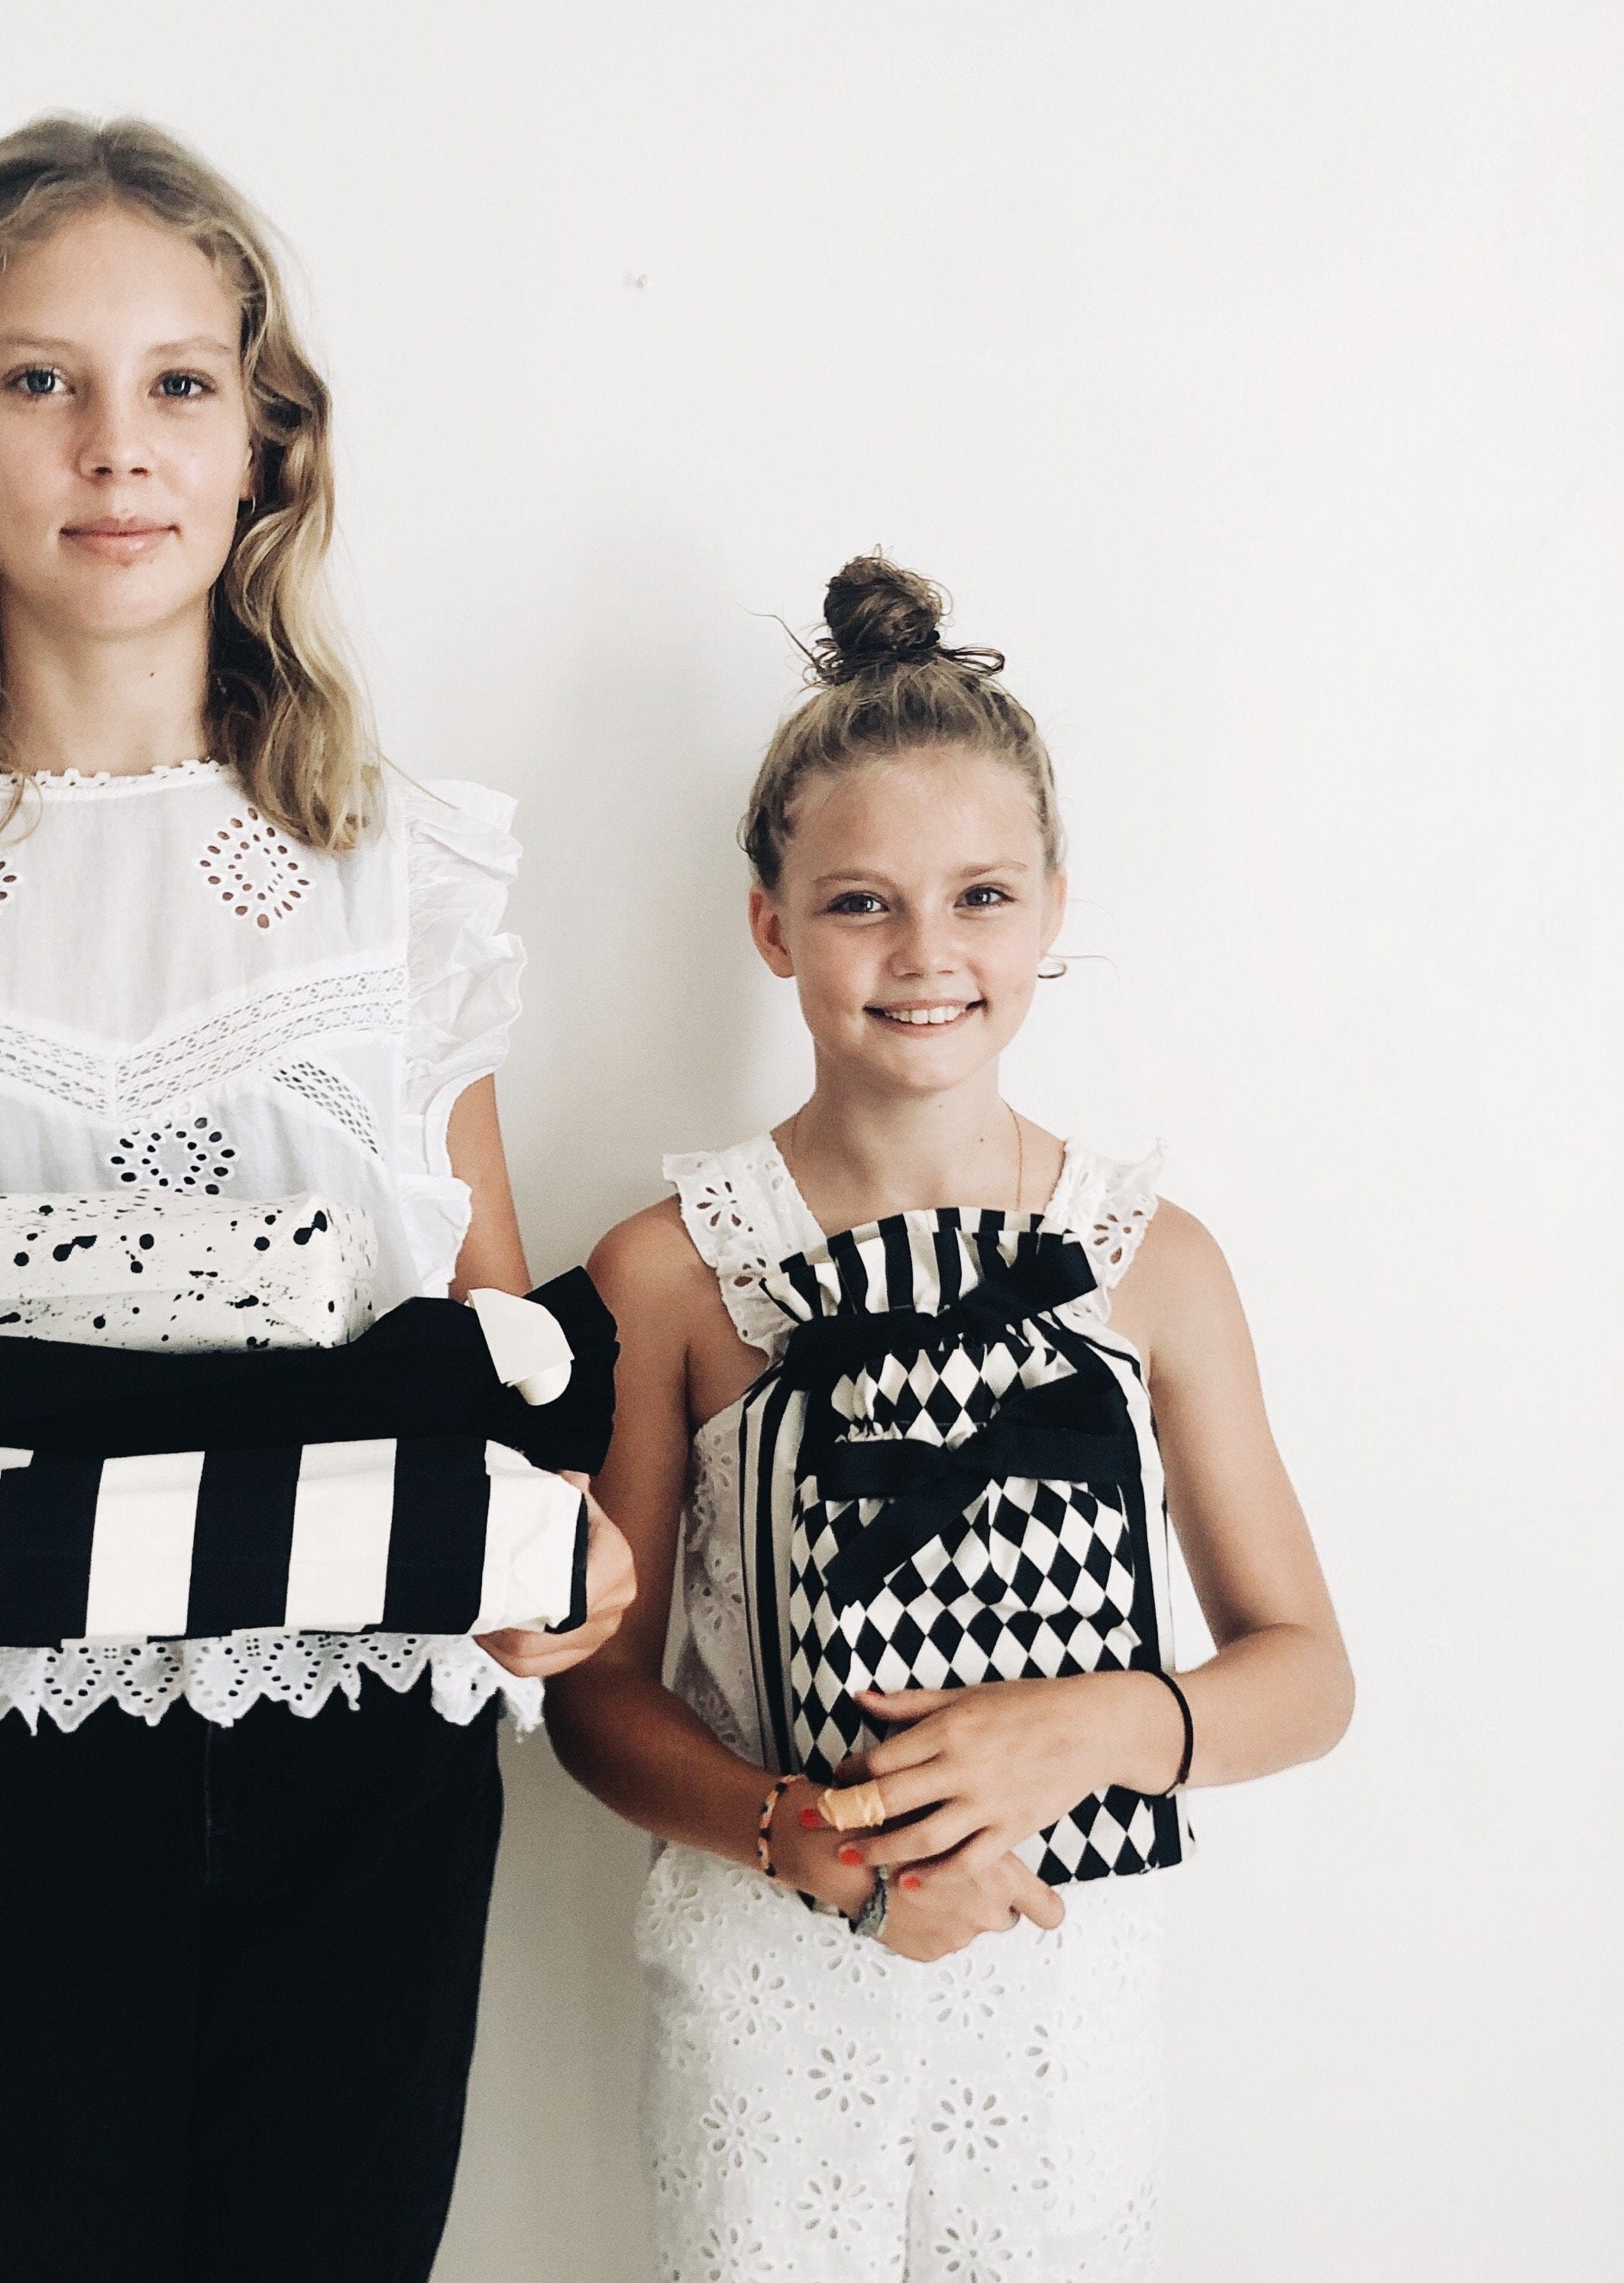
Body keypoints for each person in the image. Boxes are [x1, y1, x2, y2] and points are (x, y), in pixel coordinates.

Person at [0, 114, 634, 2283]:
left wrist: (569, 1552)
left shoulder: (404, 869)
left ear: (268, 442)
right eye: (40, 380)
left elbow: (494, 1333)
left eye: (180, 381)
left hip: (363, 1744)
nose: (116, 446)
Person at [547, 553, 1351, 2278]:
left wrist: (1091, 1731)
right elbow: (591, 1700)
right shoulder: (673, 1270)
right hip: (768, 1979)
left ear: (1052, 909)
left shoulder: (1155, 1265)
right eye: (859, 905)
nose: (926, 955)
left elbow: (1305, 1670)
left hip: (1061, 1988)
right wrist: (810, 1842)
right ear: (771, 925)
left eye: (980, 896)